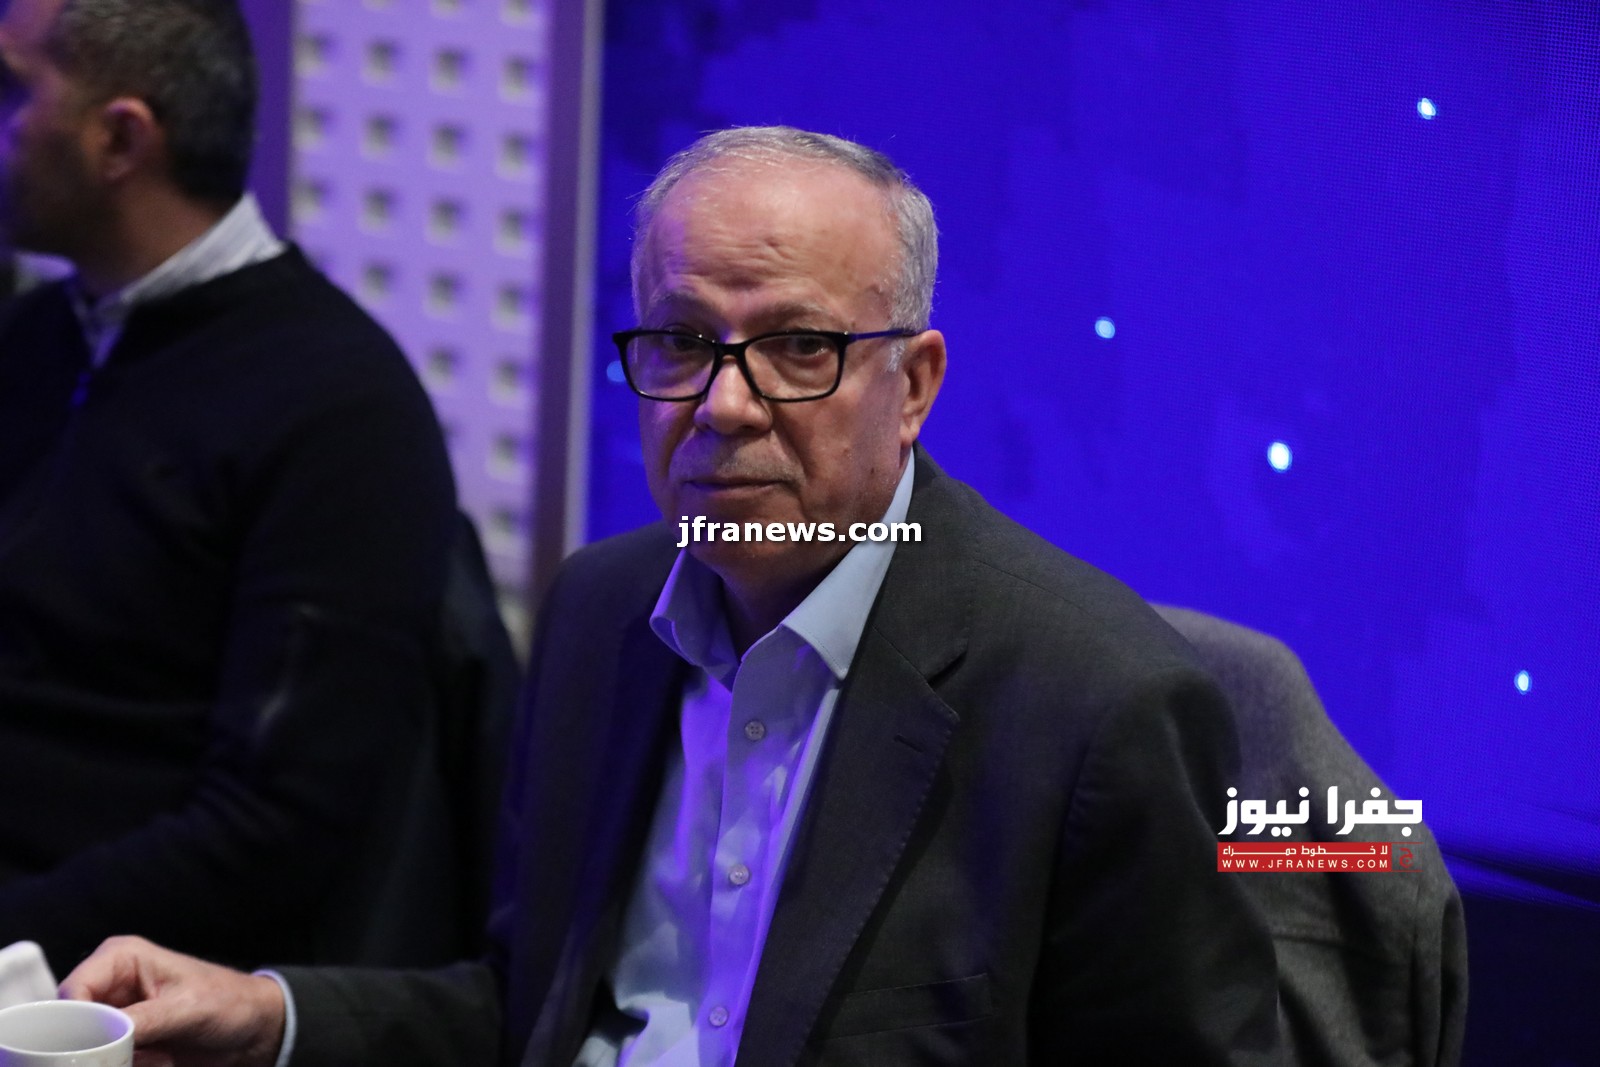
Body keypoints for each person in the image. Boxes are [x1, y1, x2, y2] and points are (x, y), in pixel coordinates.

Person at [63, 127, 1282, 1065]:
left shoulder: (1093, 703)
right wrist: (265, 1010)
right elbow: (533, 1011)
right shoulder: (601, 610)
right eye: (683, 341)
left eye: (799, 348)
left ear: (912, 385)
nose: (724, 405)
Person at [0, 0, 470, 971]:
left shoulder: (337, 406)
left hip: (107, 982)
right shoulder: (38, 336)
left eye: (11, 90)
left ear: (119, 139)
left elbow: (267, 833)